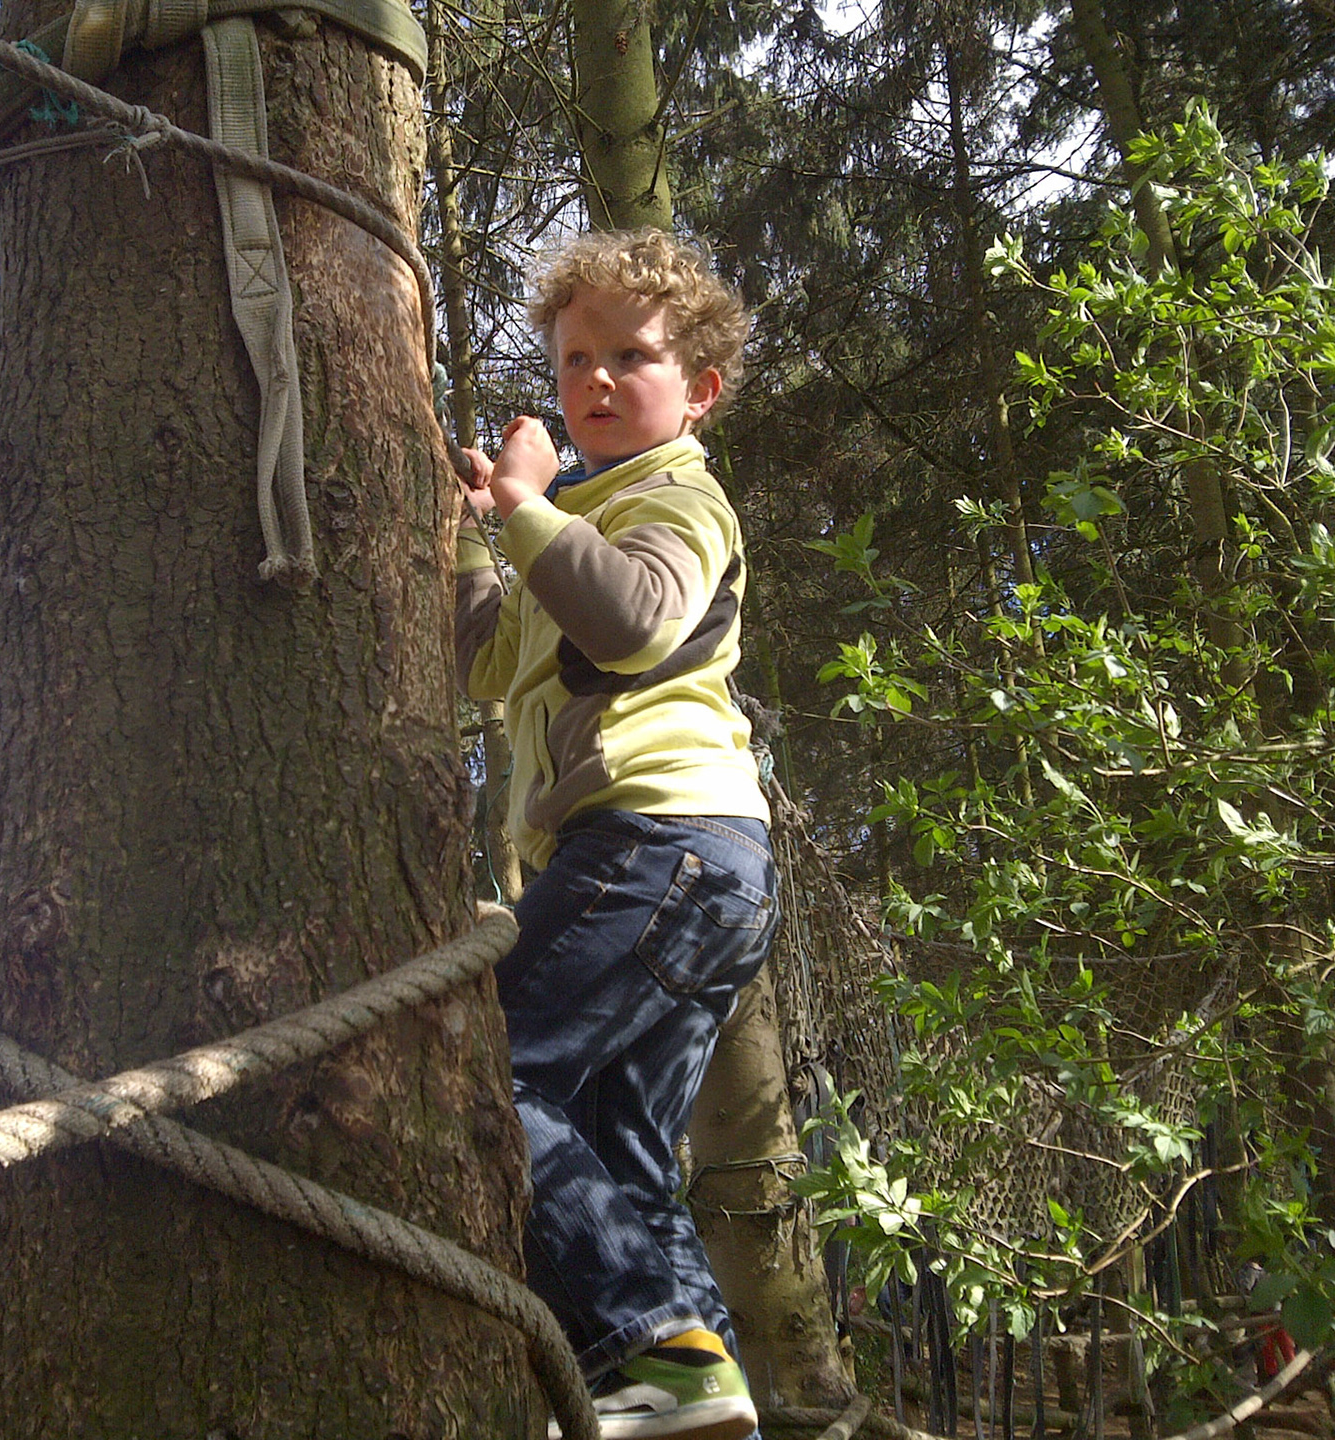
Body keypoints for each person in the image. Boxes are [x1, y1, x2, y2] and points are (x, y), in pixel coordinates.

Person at [454, 228, 777, 1440]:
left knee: (490, 1062)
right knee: (617, 1144)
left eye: (629, 356)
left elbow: (636, 621)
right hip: (685, 869)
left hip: (660, 845)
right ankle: (686, 1402)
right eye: (575, 356)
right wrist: (463, 529)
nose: (592, 379)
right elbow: (485, 655)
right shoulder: (582, 519)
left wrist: (532, 504)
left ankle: (639, 1346)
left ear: (699, 389)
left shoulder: (677, 498)